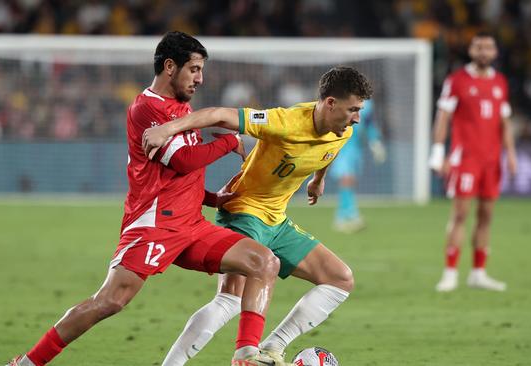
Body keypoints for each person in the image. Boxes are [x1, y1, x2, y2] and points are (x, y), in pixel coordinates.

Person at [5, 31, 281, 366]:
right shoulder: (146, 108)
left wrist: (212, 199)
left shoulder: (181, 109)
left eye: (201, 70)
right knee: (110, 301)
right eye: (193, 69)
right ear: (169, 66)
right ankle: (28, 363)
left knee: (263, 262)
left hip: (191, 225)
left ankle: (246, 355)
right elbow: (182, 161)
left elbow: (178, 174)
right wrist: (228, 142)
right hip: (154, 224)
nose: (200, 78)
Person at [142, 66, 373, 366]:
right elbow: (219, 114)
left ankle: (273, 347)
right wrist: (167, 129)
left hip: (276, 220)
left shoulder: (341, 130)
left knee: (340, 279)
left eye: (359, 110)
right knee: (229, 299)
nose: (357, 117)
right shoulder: (285, 122)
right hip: (243, 212)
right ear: (330, 103)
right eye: (353, 109)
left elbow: (328, 151)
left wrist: (318, 179)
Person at [428, 31, 517, 292]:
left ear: (495, 52)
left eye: (488, 47)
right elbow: (443, 117)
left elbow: (505, 121)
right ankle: (450, 272)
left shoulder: (501, 82)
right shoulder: (456, 80)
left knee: (486, 216)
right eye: (479, 47)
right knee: (460, 215)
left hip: (492, 161)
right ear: (471, 51)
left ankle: (478, 273)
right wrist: (437, 153)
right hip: (465, 159)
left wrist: (510, 154)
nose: (483, 52)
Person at [329, 98, 386, 233]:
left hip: (356, 146)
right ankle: (351, 215)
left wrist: (375, 142)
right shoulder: (340, 100)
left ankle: (342, 216)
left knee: (350, 180)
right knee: (346, 178)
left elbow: (369, 123)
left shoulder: (368, 105)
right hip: (341, 143)